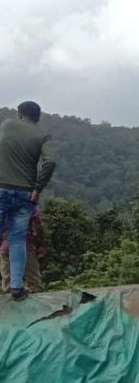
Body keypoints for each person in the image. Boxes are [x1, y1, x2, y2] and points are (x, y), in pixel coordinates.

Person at [0, 101, 57, 301]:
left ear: (19, 114)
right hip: (25, 194)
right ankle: (17, 287)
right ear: (37, 117)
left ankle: (11, 286)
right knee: (17, 240)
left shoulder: (7, 125)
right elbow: (50, 161)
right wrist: (38, 188)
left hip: (2, 188)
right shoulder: (42, 135)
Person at [1, 205, 45, 294]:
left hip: (5, 248)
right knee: (35, 284)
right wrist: (41, 245)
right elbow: (38, 225)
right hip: (26, 246)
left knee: (8, 286)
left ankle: (10, 306)